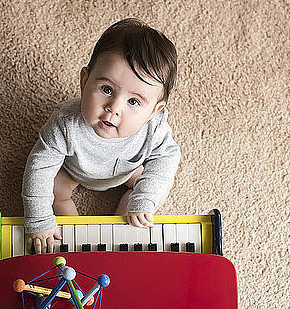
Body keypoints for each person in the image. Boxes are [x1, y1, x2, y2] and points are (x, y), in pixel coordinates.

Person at [21, 18, 181, 254]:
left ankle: (118, 232)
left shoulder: (153, 128)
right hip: (75, 170)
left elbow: (168, 157)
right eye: (107, 89)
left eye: (134, 101)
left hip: (127, 173)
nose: (114, 108)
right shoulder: (66, 123)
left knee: (151, 190)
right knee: (54, 187)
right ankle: (76, 239)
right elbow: (40, 164)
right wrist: (39, 219)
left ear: (153, 111)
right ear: (85, 81)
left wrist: (145, 197)